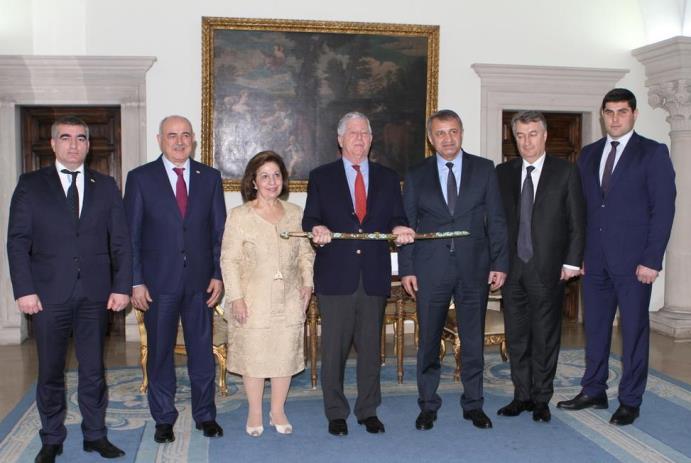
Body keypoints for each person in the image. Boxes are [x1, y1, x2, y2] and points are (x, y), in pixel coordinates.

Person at [7, 116, 132, 462]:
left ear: (89, 145)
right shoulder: (31, 185)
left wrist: (122, 286)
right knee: (50, 371)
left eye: (80, 138)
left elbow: (121, 241)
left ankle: (95, 435)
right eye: (65, 137)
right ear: (53, 144)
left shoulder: (105, 185)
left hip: (95, 294)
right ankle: (51, 438)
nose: (73, 144)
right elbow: (17, 242)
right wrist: (24, 290)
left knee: (94, 370)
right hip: (47, 295)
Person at [557, 89, 676, 425]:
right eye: (609, 112)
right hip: (594, 261)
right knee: (595, 328)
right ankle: (593, 390)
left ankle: (630, 400)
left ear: (634, 114)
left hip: (635, 263)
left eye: (622, 111)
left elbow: (663, 210)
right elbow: (580, 209)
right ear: (602, 115)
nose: (615, 118)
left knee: (634, 332)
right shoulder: (589, 154)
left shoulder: (653, 153)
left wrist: (652, 259)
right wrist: (577, 254)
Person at [302, 111, 415, 436]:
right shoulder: (321, 176)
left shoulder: (387, 177)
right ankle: (336, 412)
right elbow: (310, 219)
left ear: (371, 139)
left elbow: (397, 217)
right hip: (336, 276)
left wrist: (400, 228)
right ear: (340, 140)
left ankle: (368, 410)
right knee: (333, 350)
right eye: (353, 133)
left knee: (370, 350)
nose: (359, 139)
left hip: (373, 275)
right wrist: (317, 229)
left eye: (364, 133)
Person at [399, 109, 508, 431]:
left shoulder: (484, 169)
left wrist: (500, 262)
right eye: (441, 133)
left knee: (473, 340)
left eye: (453, 131)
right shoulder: (416, 174)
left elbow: (497, 220)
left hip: (474, 267)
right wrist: (407, 268)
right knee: (428, 341)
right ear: (431, 139)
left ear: (461, 133)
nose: (448, 138)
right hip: (429, 269)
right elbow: (407, 224)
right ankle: (427, 405)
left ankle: (474, 404)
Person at [124, 115, 226, 443]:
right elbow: (131, 236)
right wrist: (135, 281)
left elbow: (219, 233)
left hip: (200, 283)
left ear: (193, 139)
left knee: (202, 352)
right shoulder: (140, 178)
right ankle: (164, 418)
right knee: (160, 354)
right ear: (160, 140)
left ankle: (205, 415)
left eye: (185, 135)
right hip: (157, 284)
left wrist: (218, 274)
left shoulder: (210, 178)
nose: (179, 141)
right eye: (172, 135)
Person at [495, 110, 585, 423]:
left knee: (545, 336)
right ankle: (521, 395)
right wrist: (496, 262)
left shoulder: (565, 172)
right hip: (512, 269)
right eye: (520, 135)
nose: (526, 142)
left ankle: (541, 398)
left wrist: (572, 261)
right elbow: (496, 223)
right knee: (517, 335)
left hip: (548, 267)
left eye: (533, 134)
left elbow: (577, 221)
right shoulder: (503, 173)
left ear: (545, 136)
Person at [220, 151, 314, 437]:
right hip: (253, 299)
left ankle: (277, 411)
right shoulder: (239, 216)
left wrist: (308, 284)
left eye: (276, 175)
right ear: (254, 181)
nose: (272, 182)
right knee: (255, 357)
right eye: (265, 176)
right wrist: (236, 297)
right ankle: (255, 412)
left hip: (289, 298)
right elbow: (229, 260)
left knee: (284, 355)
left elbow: (306, 253)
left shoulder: (295, 213)